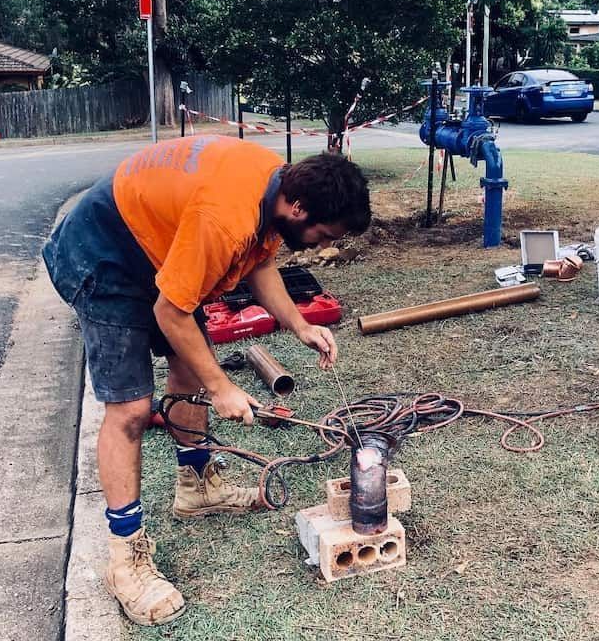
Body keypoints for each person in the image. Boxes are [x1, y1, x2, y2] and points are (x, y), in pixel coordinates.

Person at [43, 135, 371, 626]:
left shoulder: (276, 187)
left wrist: (300, 324)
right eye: (324, 235)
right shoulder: (223, 219)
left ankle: (197, 486)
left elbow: (259, 263)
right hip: (102, 253)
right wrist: (221, 387)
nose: (325, 245)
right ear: (298, 207)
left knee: (187, 367)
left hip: (159, 249)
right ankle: (125, 557)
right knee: (130, 409)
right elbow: (171, 311)